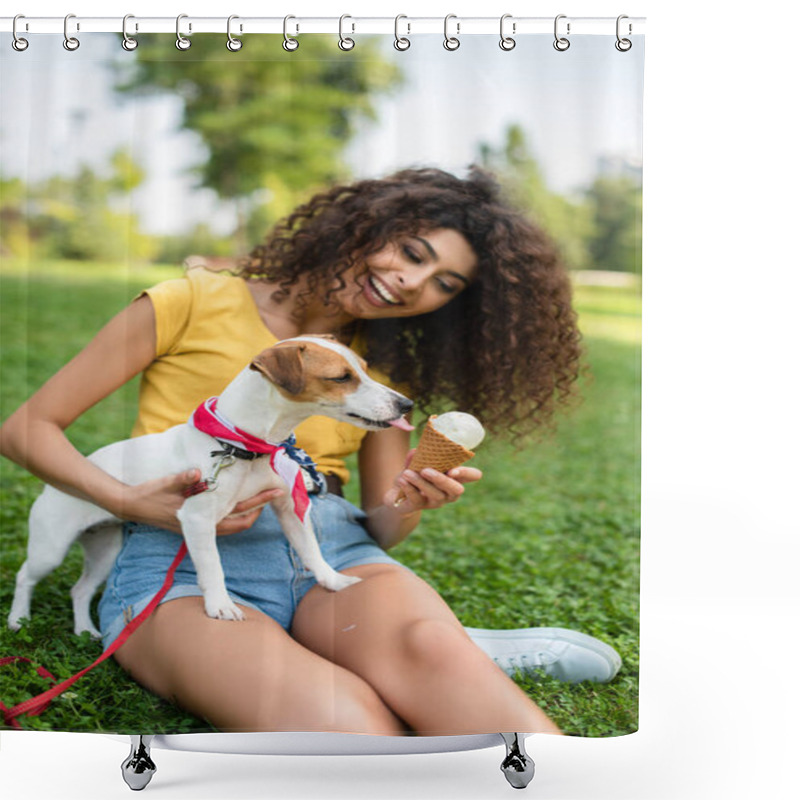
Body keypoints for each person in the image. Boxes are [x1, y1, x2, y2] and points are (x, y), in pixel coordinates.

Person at [0, 167, 619, 736]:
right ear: (365, 225)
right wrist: (132, 502)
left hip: (331, 543)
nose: (413, 281)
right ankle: (413, 650)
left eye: (444, 283)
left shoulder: (379, 372)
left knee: (448, 673)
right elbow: (26, 429)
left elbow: (383, 520)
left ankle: (426, 644)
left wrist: (411, 500)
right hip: (182, 554)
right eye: (411, 252)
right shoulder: (190, 300)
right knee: (348, 729)